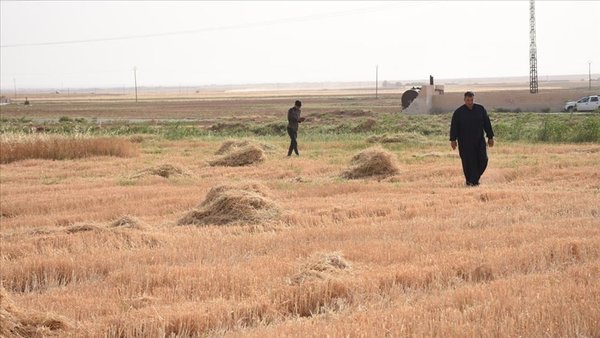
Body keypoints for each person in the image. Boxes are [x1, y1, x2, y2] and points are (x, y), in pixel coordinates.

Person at [449, 91, 494, 186]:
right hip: (465, 142)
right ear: (464, 100)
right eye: (468, 100)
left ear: (474, 99)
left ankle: (473, 179)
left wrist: (490, 137)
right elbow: (454, 126)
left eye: (471, 100)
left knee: (483, 160)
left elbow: (487, 124)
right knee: (468, 162)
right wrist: (453, 140)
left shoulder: (480, 109)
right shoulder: (458, 112)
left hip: (479, 141)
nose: (470, 102)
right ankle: (471, 182)